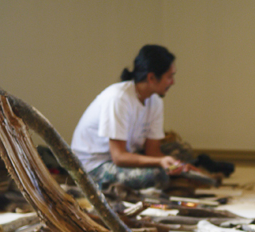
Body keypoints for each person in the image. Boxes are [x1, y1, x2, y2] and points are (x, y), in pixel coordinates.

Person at [71, 44, 189, 190]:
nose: (173, 82)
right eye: (169, 77)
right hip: (95, 166)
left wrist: (172, 164)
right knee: (159, 175)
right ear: (151, 77)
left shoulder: (155, 101)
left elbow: (152, 152)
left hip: (124, 158)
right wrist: (161, 164)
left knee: (181, 151)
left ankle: (175, 179)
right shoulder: (118, 98)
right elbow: (119, 157)